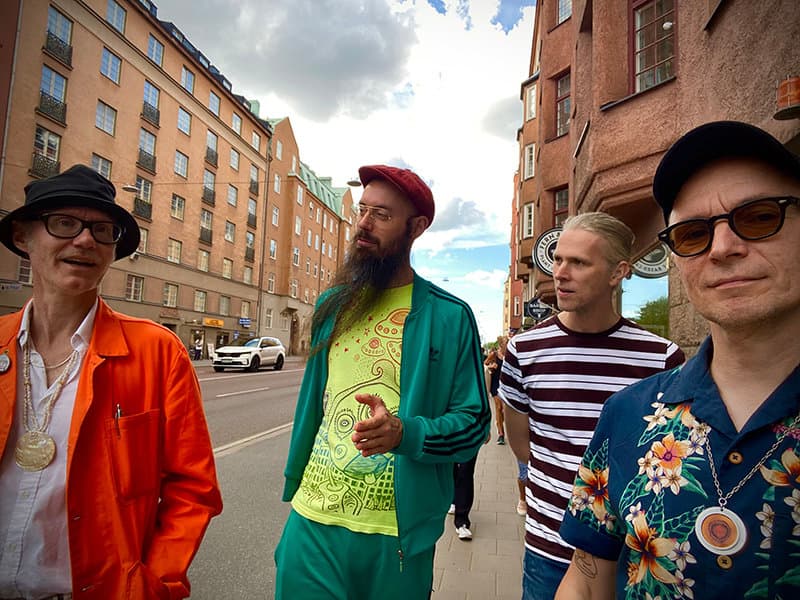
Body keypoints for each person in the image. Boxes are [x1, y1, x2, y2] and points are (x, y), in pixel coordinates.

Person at [556, 121, 800, 600]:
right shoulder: (628, 413)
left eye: (759, 217)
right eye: (693, 234)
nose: (723, 248)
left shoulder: (656, 354)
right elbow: (587, 579)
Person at [0, 165, 222, 599]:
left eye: (102, 231)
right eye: (64, 223)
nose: (86, 240)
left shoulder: (158, 352)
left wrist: (152, 585)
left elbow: (193, 488)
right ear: (23, 236)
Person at [275, 164, 491, 599]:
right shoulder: (333, 306)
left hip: (396, 536)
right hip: (312, 522)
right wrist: (294, 481)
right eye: (362, 211)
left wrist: (405, 433)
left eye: (382, 215)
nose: (364, 224)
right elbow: (312, 405)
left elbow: (474, 424)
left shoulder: (449, 315)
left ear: (417, 227)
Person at [500, 211, 685, 600]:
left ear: (618, 272)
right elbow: (523, 446)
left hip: (630, 556)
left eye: (579, 263)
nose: (560, 273)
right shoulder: (524, 350)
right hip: (548, 547)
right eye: (558, 260)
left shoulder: (661, 358)